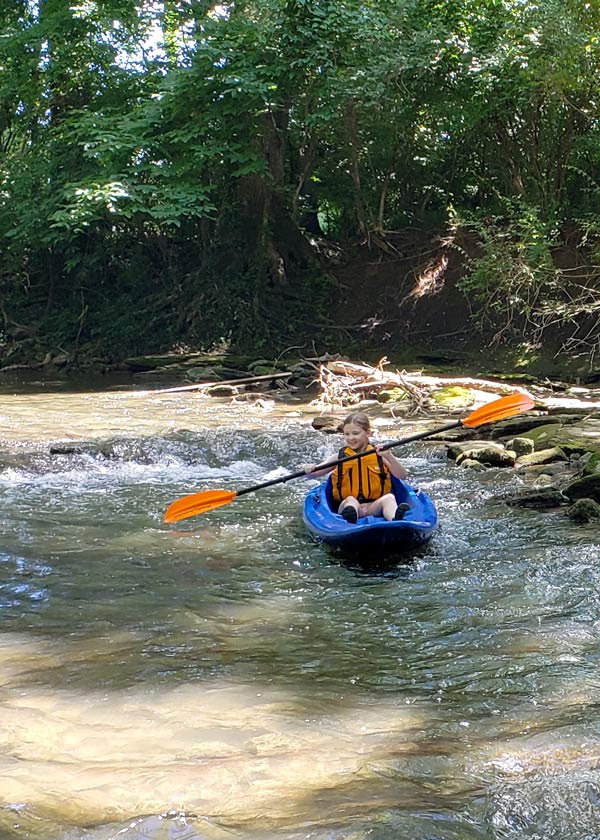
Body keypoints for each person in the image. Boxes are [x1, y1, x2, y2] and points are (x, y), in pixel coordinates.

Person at [304, 412, 410, 524]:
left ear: (368, 433)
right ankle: (350, 517)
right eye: (347, 434)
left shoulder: (379, 455)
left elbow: (402, 475)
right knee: (351, 500)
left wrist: (388, 455)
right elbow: (314, 473)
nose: (351, 438)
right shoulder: (339, 457)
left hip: (373, 506)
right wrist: (310, 469)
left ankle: (396, 520)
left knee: (389, 498)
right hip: (346, 505)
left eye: (355, 433)